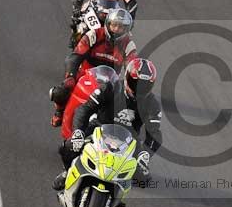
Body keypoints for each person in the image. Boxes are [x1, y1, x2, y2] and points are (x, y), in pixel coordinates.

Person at [53, 58, 162, 190]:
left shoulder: (152, 104)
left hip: (129, 139)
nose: (139, 89)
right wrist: (78, 132)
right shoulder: (111, 87)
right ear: (127, 78)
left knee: (144, 180)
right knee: (68, 147)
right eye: (136, 83)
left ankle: (117, 193)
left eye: (144, 85)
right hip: (98, 127)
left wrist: (145, 154)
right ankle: (67, 172)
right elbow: (85, 108)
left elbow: (155, 133)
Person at [50, 7, 136, 127]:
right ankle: (59, 111)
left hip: (110, 83)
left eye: (120, 27)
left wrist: (131, 86)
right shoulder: (94, 34)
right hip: (85, 75)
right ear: (108, 24)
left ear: (126, 29)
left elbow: (132, 67)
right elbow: (75, 56)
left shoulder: (128, 44)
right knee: (61, 91)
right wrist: (70, 76)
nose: (116, 29)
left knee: (130, 107)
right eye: (114, 25)